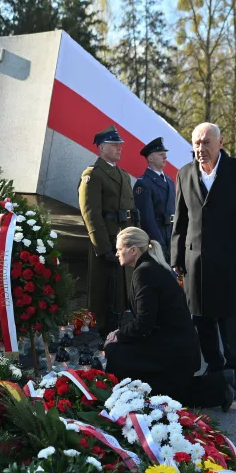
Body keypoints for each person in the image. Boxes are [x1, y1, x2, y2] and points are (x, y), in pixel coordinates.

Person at [104, 228, 236, 410]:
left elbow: (144, 322)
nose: (117, 253)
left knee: (116, 352)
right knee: (168, 395)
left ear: (133, 250)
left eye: (120, 249)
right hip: (175, 346)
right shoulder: (150, 267)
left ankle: (118, 401)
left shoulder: (145, 273)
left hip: (173, 350)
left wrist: (119, 334)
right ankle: (221, 383)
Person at [171, 122, 236, 399]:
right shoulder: (184, 174)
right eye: (196, 143)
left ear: (221, 143)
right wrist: (177, 257)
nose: (200, 149)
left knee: (229, 317)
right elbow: (180, 220)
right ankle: (214, 366)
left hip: (231, 261)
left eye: (206, 142)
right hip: (195, 260)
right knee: (201, 318)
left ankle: (233, 369)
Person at [78, 125, 138, 334]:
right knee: (106, 295)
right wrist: (103, 248)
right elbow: (91, 214)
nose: (120, 148)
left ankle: (120, 331)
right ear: (101, 148)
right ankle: (105, 335)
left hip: (125, 240)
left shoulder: (123, 175)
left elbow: (131, 211)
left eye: (120, 145)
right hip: (108, 242)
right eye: (114, 145)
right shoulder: (93, 175)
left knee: (123, 292)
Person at [134, 137, 176, 260]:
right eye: (161, 154)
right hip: (157, 239)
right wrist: (159, 244)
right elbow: (147, 219)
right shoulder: (143, 183)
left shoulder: (169, 181)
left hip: (171, 237)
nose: (165, 157)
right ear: (150, 158)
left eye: (165, 154)